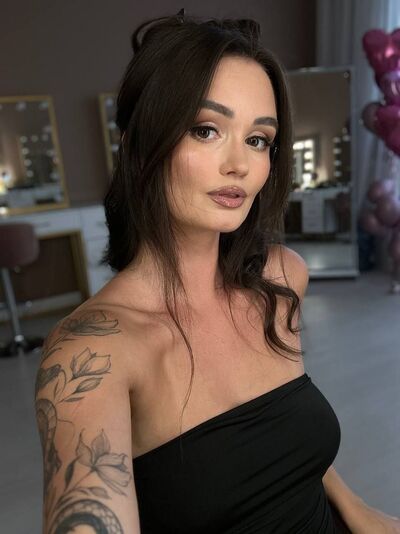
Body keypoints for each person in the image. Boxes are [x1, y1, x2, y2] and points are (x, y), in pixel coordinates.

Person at [34, 10, 400, 534]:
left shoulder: (281, 279)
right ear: (141, 143)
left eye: (258, 139)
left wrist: (353, 505)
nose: (240, 165)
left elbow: (282, 435)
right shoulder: (92, 352)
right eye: (206, 130)